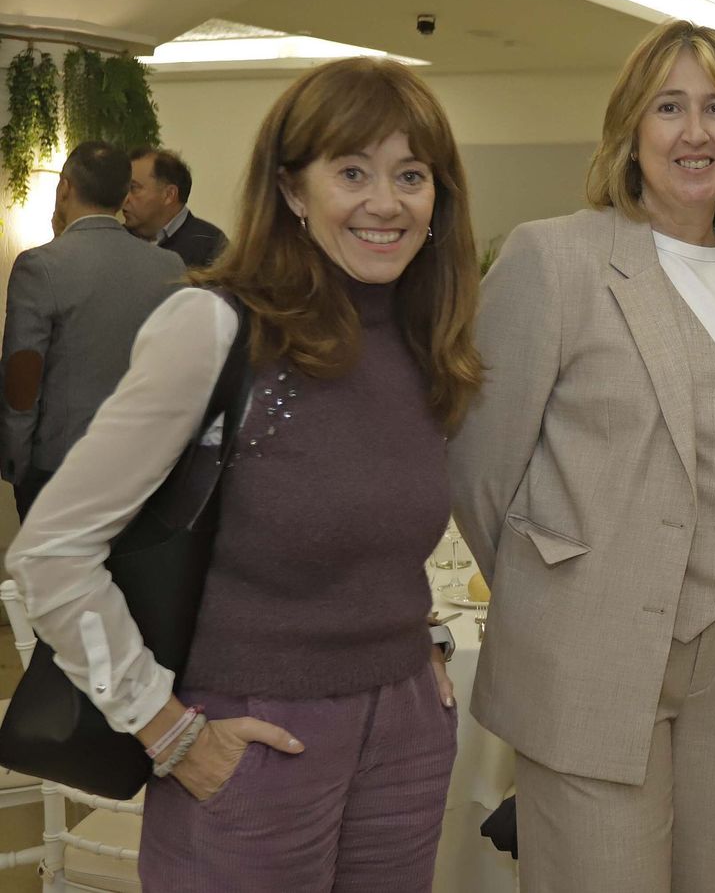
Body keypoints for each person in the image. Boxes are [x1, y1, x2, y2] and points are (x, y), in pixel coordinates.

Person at [5, 57, 484, 891]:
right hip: (253, 744)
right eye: (351, 172)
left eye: (411, 175)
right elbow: (50, 553)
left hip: (406, 735)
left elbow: (379, 541)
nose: (386, 202)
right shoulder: (215, 326)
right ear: (293, 191)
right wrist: (168, 730)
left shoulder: (424, 340)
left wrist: (424, 650)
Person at [450, 19, 715, 892]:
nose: (696, 133)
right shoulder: (554, 259)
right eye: (670, 107)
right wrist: (555, 599)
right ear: (630, 129)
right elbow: (480, 471)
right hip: (587, 666)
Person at [1, 141, 183, 519]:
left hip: (63, 465)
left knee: (54, 576)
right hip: (143, 465)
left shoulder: (41, 267)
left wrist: (15, 457)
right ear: (121, 196)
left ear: (64, 187)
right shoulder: (168, 266)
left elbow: (23, 374)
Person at [122, 146, 228, 267]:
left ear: (169, 195)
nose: (124, 198)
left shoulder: (211, 245)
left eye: (134, 188)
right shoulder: (117, 238)